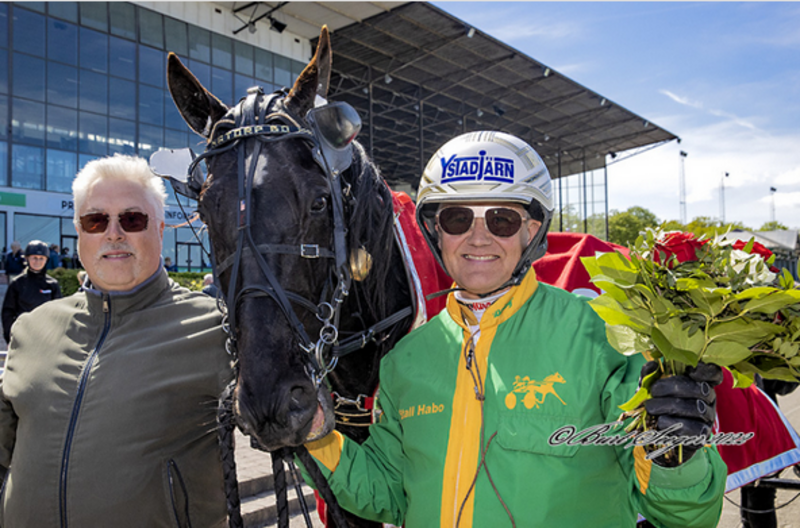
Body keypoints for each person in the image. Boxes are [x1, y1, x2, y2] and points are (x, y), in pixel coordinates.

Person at [302, 132, 727, 527]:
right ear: (435, 231)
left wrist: (676, 458)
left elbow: (684, 516)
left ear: (531, 229)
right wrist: (318, 434)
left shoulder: (603, 336)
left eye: (502, 219)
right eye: (456, 218)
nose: (479, 238)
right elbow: (391, 496)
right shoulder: (404, 361)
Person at [0, 154, 233, 526]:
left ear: (159, 228)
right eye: (96, 220)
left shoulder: (217, 329)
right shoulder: (31, 329)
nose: (113, 233)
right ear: (79, 231)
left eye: (132, 219)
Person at [1, 240, 63, 344]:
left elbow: (60, 314)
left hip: (46, 338)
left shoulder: (52, 285)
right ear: (27, 258)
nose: (37, 261)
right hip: (22, 337)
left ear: (46, 260)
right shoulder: (17, 283)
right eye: (34, 258)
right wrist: (10, 337)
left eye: (41, 258)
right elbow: (7, 312)